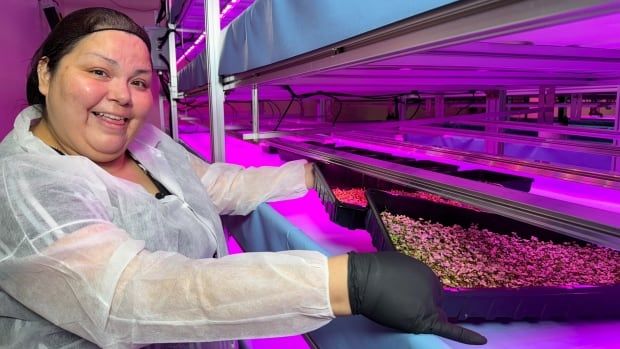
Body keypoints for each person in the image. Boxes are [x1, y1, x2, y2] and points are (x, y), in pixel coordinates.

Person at [0, 7, 486, 349]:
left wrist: (313, 173)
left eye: (139, 81)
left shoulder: (145, 143)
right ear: (45, 74)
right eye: (98, 71)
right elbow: (132, 294)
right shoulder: (26, 187)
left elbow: (212, 185)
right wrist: (345, 281)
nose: (122, 96)